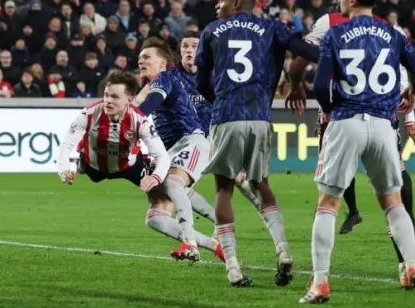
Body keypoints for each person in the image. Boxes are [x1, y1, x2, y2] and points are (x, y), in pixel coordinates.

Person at [304, 0, 415, 305]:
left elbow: (319, 86)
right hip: (383, 125)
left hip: (346, 120)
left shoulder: (336, 33)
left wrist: (331, 110)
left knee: (327, 203)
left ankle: (320, 282)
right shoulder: (393, 34)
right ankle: (412, 266)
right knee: (393, 203)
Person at [196, 0, 319, 287]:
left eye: (222, 0)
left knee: (224, 187)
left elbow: (200, 81)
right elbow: (306, 51)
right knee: (261, 183)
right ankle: (283, 249)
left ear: (237, 3)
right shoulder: (272, 28)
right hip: (261, 117)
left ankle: (232, 266)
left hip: (227, 116)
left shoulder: (212, 30)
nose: (217, 5)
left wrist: (220, 101)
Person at [133, 37, 224, 263]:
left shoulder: (164, 78)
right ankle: (215, 243)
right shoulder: (153, 83)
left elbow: (148, 104)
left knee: (174, 183)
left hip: (192, 140)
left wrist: (132, 122)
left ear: (163, 63)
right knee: (155, 218)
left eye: (146, 57)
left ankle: (190, 243)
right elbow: (136, 105)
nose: (141, 62)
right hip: (169, 152)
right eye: (139, 58)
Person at [171, 30, 264, 224]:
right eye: (185, 46)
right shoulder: (171, 76)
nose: (189, 50)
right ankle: (216, 221)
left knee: (234, 177)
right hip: (185, 141)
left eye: (194, 46)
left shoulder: (215, 74)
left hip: (214, 135)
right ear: (180, 50)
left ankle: (259, 206)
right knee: (177, 184)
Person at [55, 72, 172, 210]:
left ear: (129, 100)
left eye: (115, 97)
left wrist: (156, 177)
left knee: (163, 190)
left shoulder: (140, 121)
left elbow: (162, 155)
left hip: (129, 166)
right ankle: (81, 165)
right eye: (106, 95)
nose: (108, 101)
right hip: (93, 167)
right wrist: (64, 170)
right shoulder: (89, 114)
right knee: (88, 169)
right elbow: (66, 144)